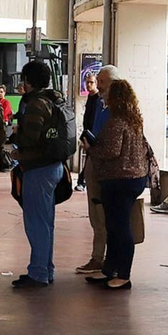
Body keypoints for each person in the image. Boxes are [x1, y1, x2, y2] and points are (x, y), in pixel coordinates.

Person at [88, 78, 157, 291]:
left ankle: (123, 274)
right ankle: (110, 269)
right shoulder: (134, 119)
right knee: (115, 225)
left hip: (119, 179)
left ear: (115, 97)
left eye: (108, 92)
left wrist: (91, 148)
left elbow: (111, 151)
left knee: (119, 227)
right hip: (133, 178)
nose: (104, 95)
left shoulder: (116, 121)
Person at [10, 61, 70, 288]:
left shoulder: (36, 105)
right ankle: (46, 269)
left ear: (28, 80)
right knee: (46, 223)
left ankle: (38, 273)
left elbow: (31, 138)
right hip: (53, 166)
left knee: (36, 223)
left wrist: (16, 136)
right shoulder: (54, 99)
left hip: (38, 168)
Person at [76, 65, 118, 275]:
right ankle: (98, 256)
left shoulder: (119, 109)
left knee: (109, 215)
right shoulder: (99, 103)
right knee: (96, 213)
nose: (98, 86)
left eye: (102, 82)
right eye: (97, 82)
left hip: (110, 167)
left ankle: (108, 260)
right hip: (95, 159)